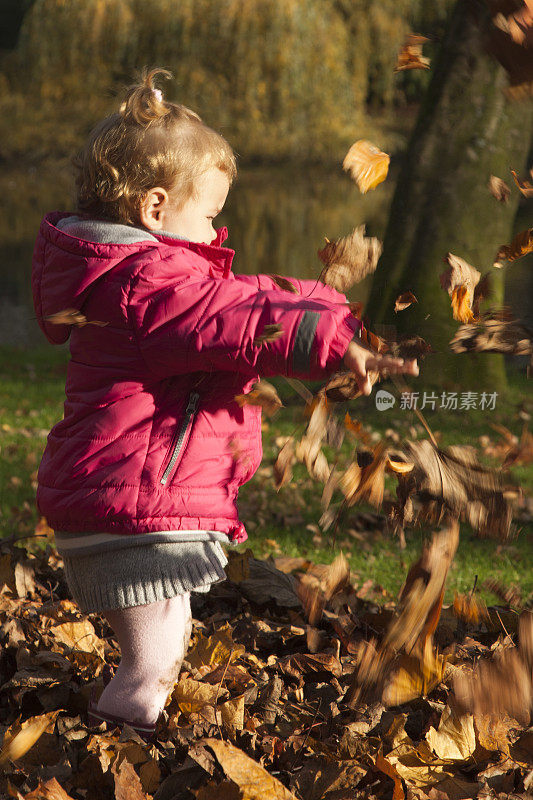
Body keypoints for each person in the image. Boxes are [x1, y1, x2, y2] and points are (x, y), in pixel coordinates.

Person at [32, 68, 419, 740]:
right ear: (154, 208)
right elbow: (239, 315)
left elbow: (236, 302)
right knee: (155, 656)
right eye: (208, 215)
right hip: (135, 505)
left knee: (159, 642)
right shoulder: (151, 284)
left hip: (122, 496)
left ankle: (119, 731)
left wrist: (332, 325)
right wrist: (330, 332)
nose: (216, 234)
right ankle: (120, 741)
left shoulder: (129, 278)